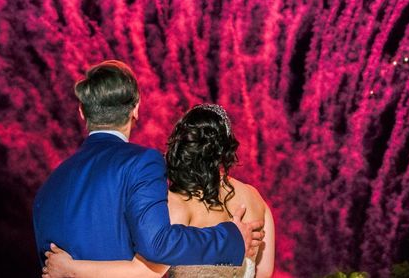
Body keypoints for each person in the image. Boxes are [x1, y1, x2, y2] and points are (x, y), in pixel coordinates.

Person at [33, 61, 264, 275]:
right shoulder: (141, 163)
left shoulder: (48, 187)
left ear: (82, 111)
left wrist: (71, 269)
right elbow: (157, 244)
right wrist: (229, 238)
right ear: (136, 108)